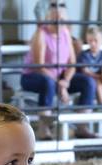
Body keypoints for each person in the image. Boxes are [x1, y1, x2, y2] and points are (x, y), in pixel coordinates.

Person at [21, 2, 96, 140]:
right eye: (55, 19)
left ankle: (82, 126)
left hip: (59, 77)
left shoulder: (66, 33)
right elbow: (39, 65)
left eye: (62, 19)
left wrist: (66, 81)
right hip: (34, 76)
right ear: (49, 19)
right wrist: (60, 85)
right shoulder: (41, 33)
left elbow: (72, 63)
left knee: (88, 82)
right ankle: (44, 128)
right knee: (48, 83)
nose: (59, 22)